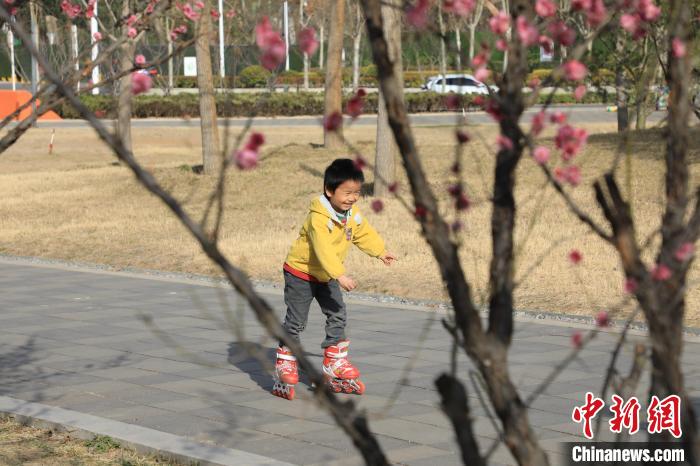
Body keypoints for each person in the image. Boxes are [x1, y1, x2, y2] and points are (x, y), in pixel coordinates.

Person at [272, 158, 396, 400]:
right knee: (297, 320)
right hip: (301, 272)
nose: (352, 198)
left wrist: (380, 251)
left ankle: (334, 361)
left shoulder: (352, 214)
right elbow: (322, 249)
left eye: (357, 193)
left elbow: (363, 233)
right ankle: (285, 360)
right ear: (329, 191)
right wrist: (339, 274)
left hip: (328, 274)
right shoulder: (318, 217)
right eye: (347, 193)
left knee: (337, 312)